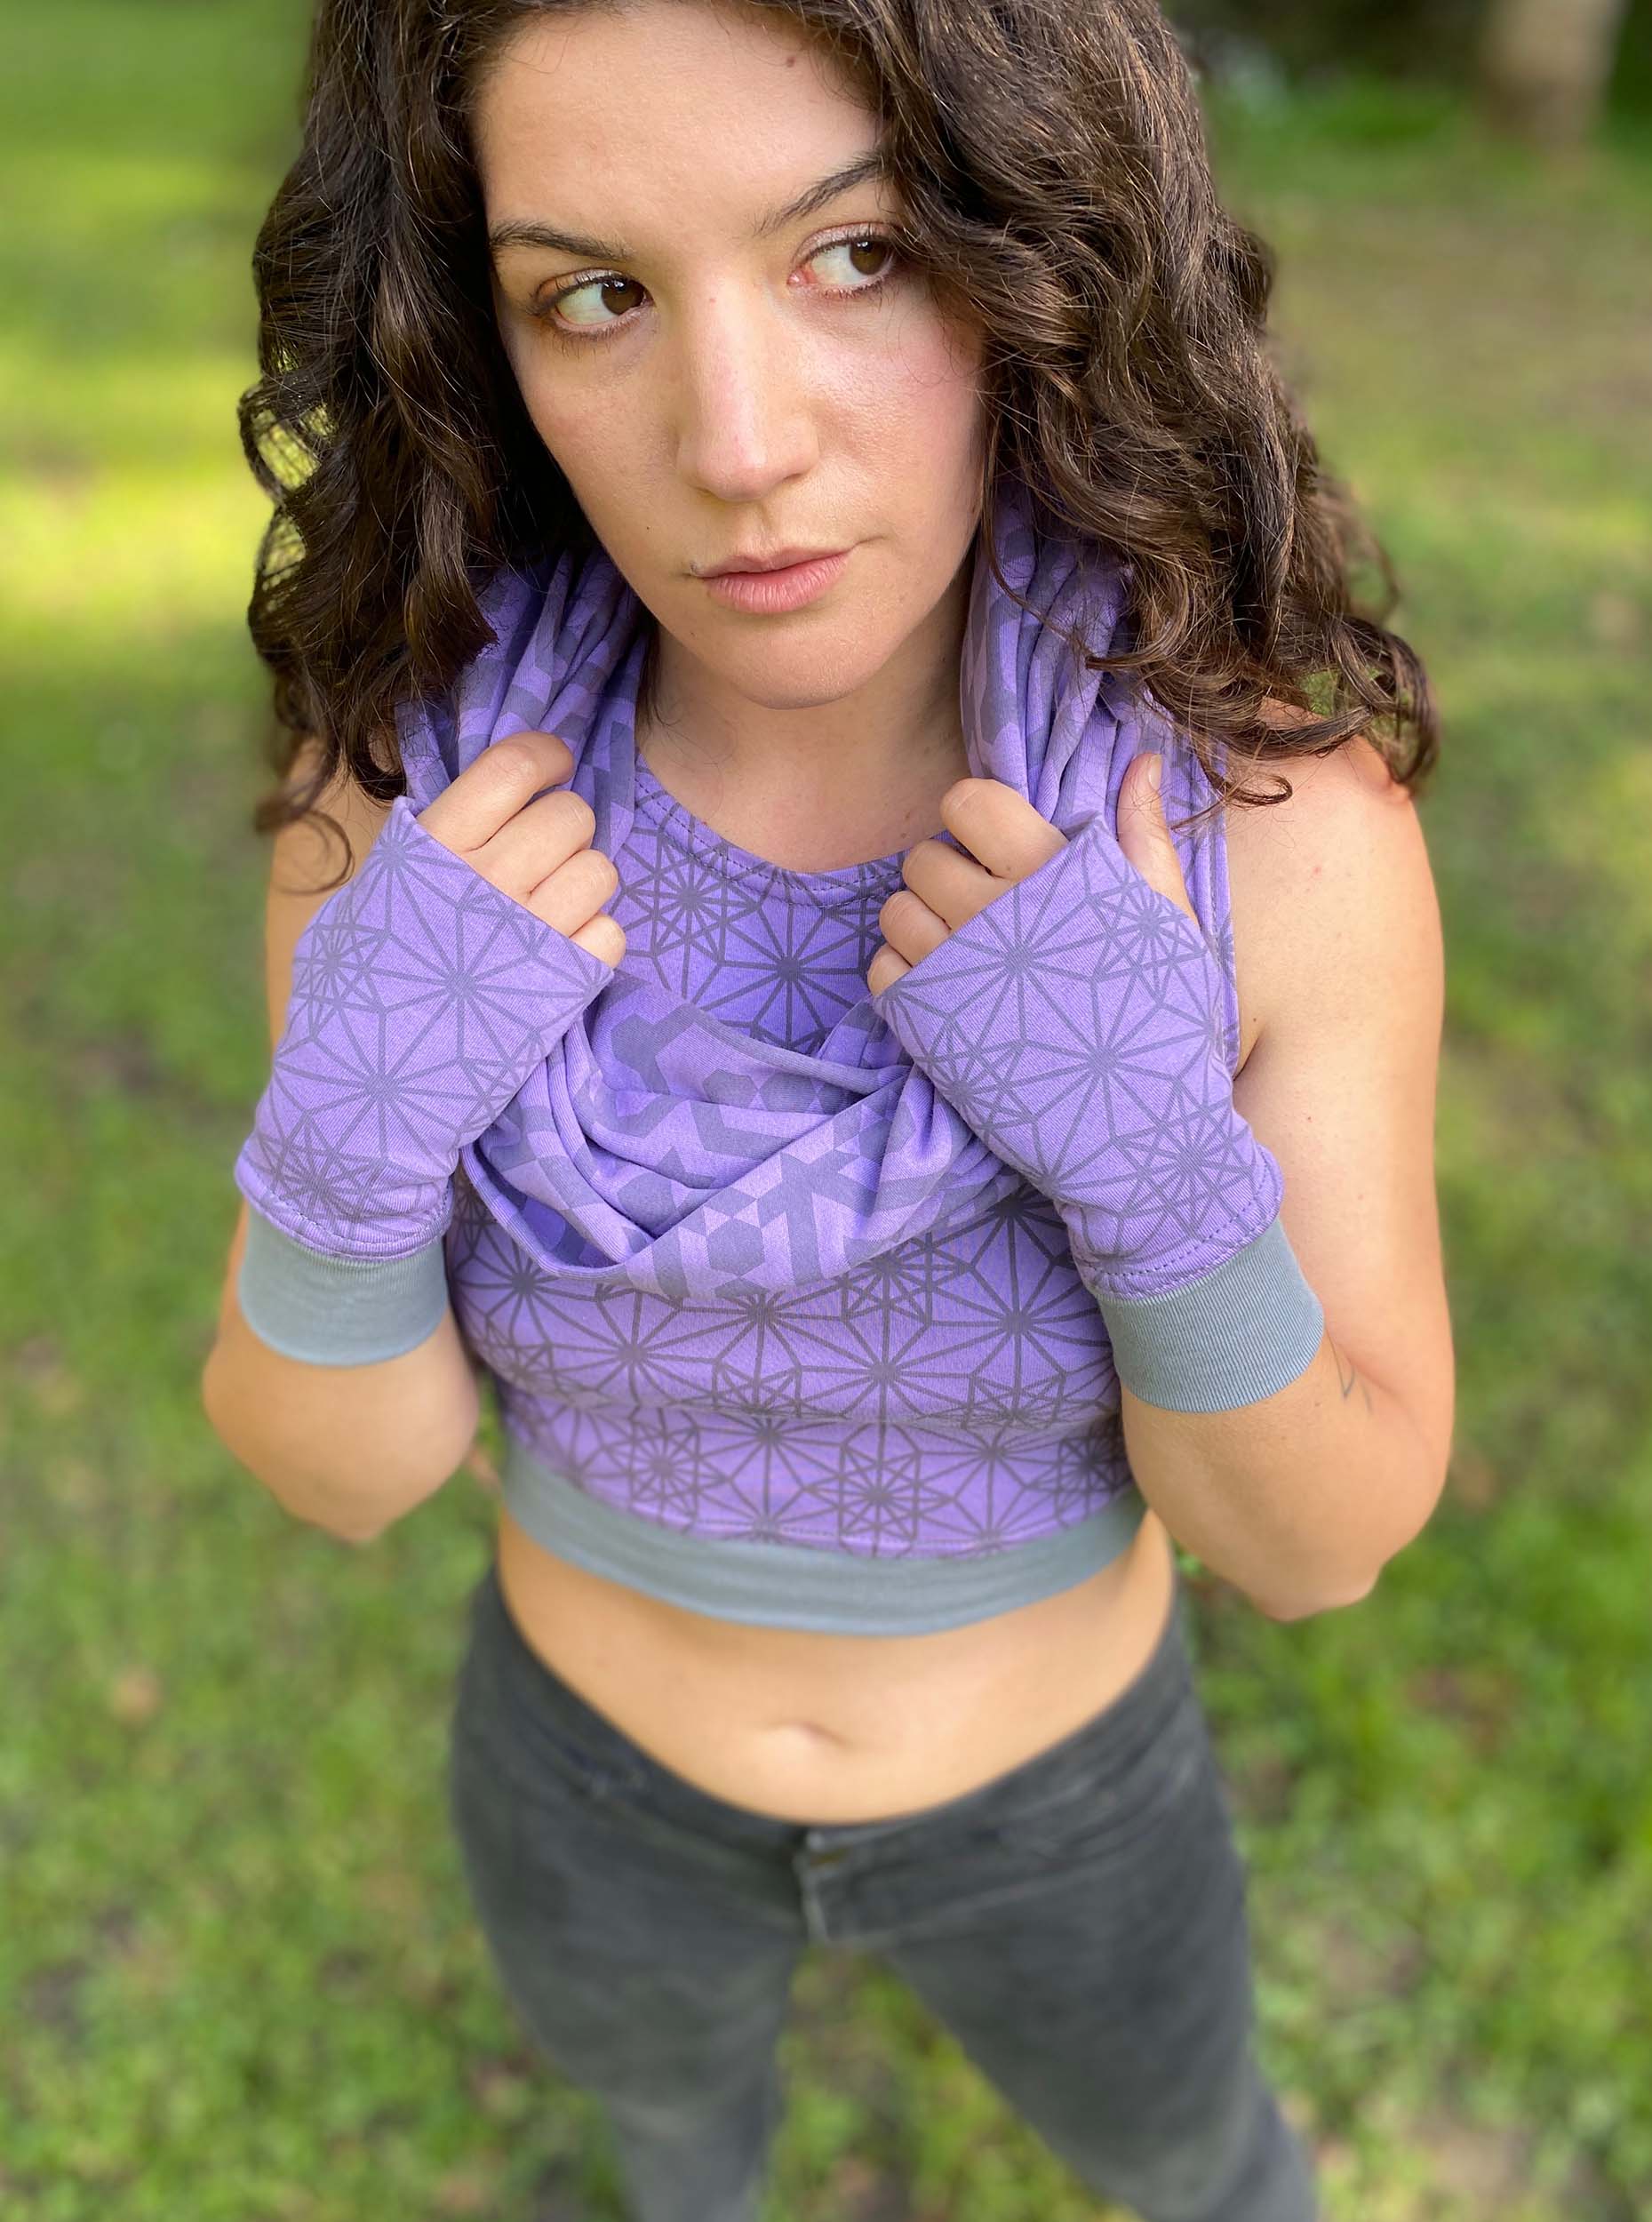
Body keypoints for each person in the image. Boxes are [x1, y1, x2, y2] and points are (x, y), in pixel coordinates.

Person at [201, 3, 1454, 2218]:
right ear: (481, 345)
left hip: (1064, 1805)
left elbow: (1314, 1541)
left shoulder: (1256, 831)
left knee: (1203, 2168)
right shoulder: (422, 804)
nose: (738, 438)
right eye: (595, 293)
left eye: (853, 255)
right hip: (585, 1784)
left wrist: (1149, 1149)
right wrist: (360, 1110)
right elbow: (343, 1465)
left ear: (1041, 250)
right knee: (682, 2158)